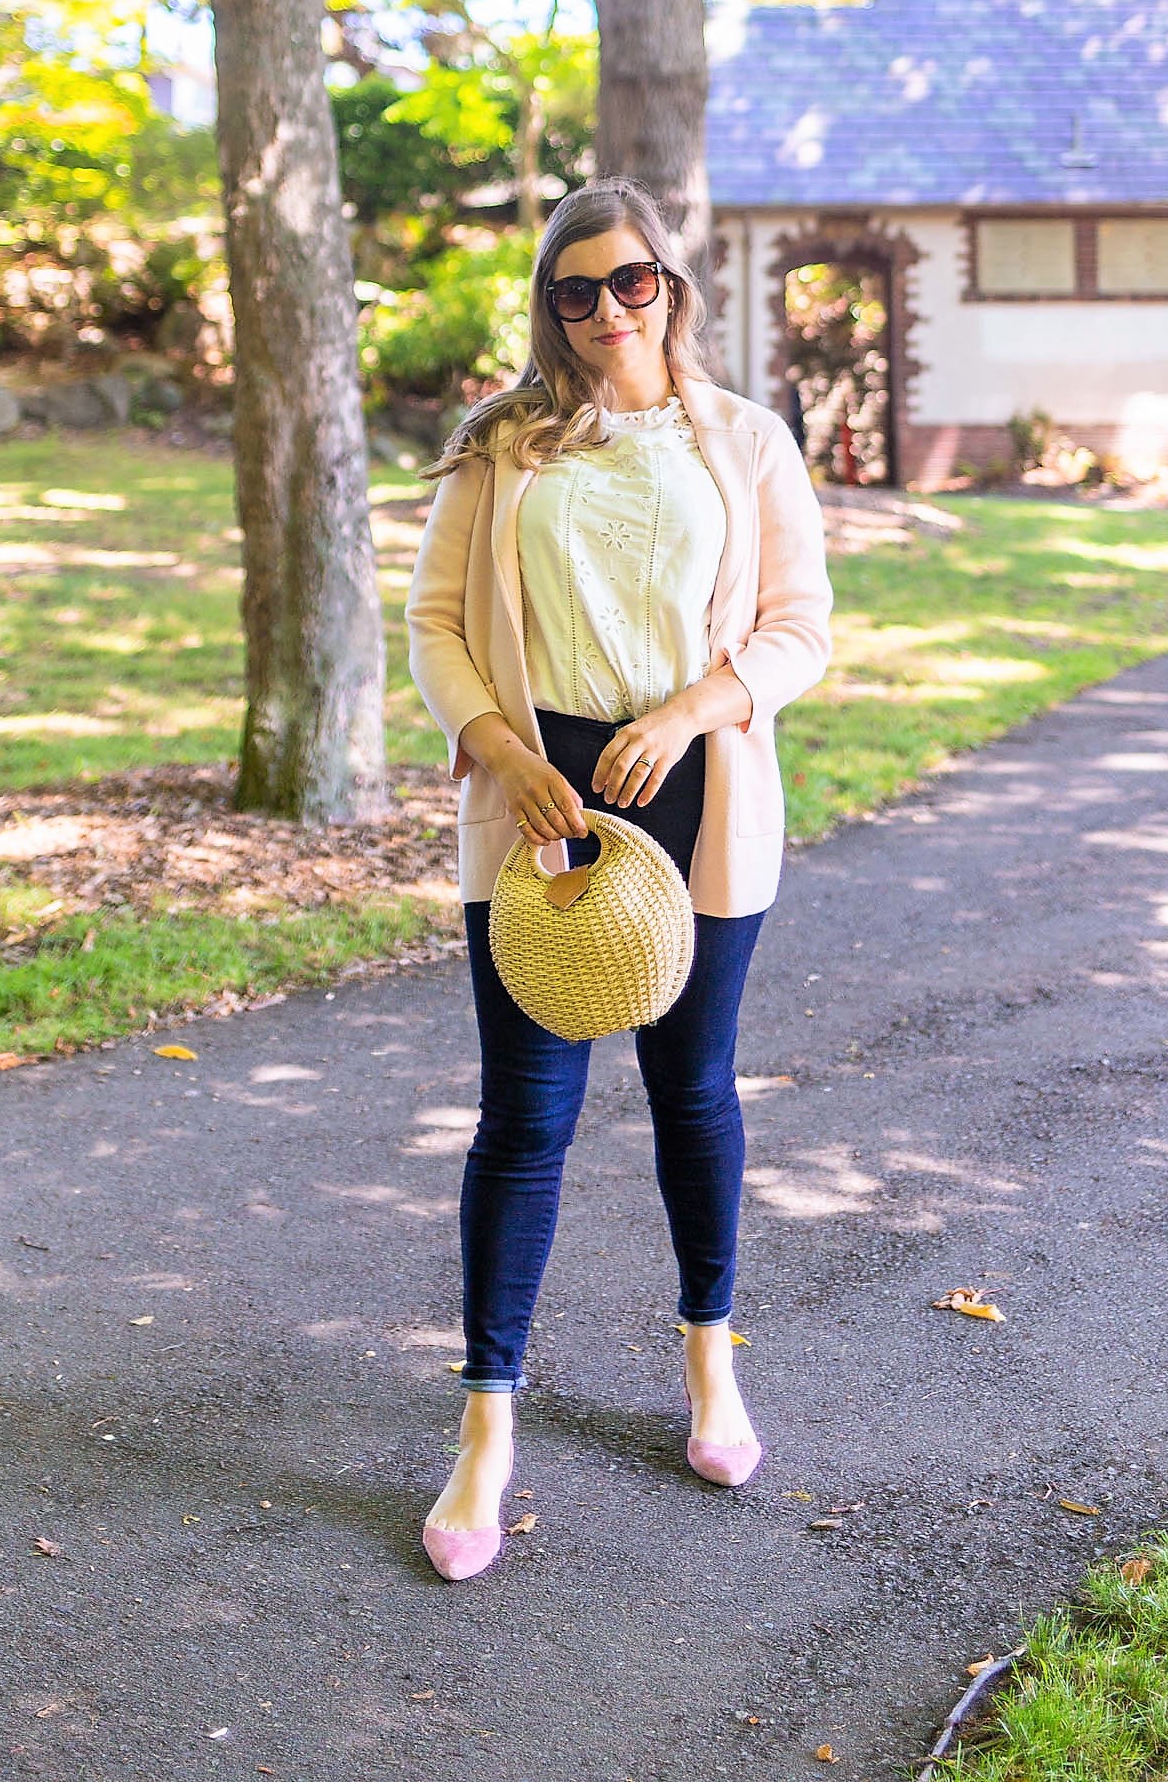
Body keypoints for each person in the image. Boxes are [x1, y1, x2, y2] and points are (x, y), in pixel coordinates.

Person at [405, 179, 831, 1580]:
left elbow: (798, 629)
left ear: (673, 287)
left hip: (695, 789)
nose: (604, 312)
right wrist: (493, 749)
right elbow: (435, 629)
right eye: (574, 291)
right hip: (539, 798)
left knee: (689, 1092)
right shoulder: (500, 449)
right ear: (551, 304)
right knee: (524, 1120)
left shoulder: (748, 442)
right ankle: (485, 1429)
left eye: (629, 283)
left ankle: (711, 1363)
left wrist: (699, 707)